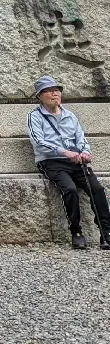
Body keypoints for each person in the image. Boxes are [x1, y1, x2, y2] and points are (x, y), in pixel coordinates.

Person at [28, 74, 109, 250]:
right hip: (52, 161)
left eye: (56, 90)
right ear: (39, 97)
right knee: (70, 189)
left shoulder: (70, 115)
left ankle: (106, 233)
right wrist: (64, 152)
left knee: (97, 189)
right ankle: (76, 232)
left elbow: (80, 138)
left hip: (76, 161)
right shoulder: (35, 116)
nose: (54, 94)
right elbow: (38, 141)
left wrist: (85, 152)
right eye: (48, 91)